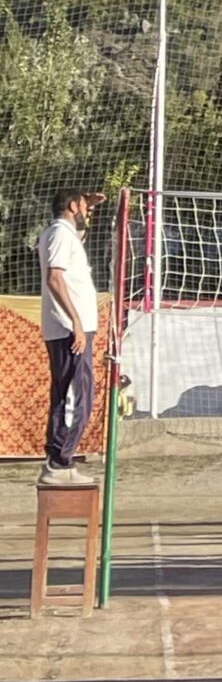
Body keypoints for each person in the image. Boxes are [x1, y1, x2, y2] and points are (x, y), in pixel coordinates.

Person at [37, 188, 100, 487]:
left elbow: (77, 243)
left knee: (75, 394)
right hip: (69, 329)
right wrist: (76, 322)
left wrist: (92, 211)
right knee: (76, 397)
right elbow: (55, 277)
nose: (88, 211)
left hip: (73, 327)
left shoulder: (66, 235)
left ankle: (60, 460)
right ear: (73, 205)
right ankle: (59, 462)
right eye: (85, 206)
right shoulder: (60, 233)